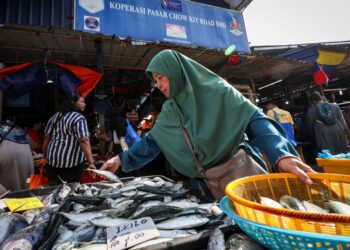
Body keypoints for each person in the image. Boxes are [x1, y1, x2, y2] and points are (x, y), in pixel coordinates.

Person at [101, 50, 314, 200]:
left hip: (240, 175)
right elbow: (153, 141)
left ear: (176, 71)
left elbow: (253, 119)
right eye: (155, 81)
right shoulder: (170, 110)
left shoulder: (217, 90)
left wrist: (281, 154)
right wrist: (120, 159)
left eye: (161, 78)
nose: (159, 85)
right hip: (203, 185)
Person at [43, 93, 96, 186]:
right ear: (73, 103)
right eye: (82, 102)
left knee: (54, 191)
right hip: (72, 164)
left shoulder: (55, 117)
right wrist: (91, 162)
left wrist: (45, 156)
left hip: (52, 162)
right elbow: (84, 140)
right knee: (72, 191)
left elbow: (47, 137)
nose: (85, 104)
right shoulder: (78, 118)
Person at [306, 91, 350, 155]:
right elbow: (343, 121)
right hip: (338, 130)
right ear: (321, 98)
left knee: (328, 155)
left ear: (313, 101)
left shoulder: (311, 111)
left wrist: (314, 138)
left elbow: (310, 127)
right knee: (343, 152)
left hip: (322, 133)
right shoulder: (335, 106)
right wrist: (347, 133)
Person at [0, 120, 34, 192]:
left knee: (6, 191)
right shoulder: (18, 129)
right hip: (26, 155)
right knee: (23, 186)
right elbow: (32, 144)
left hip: (6, 153)